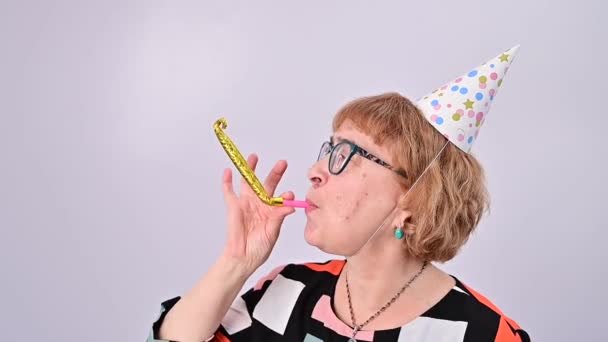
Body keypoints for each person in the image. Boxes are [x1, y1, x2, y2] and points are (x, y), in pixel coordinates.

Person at [147, 46, 530, 342]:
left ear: (413, 199)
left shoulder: (483, 333)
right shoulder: (287, 291)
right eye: (328, 150)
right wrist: (236, 262)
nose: (314, 171)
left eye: (346, 155)